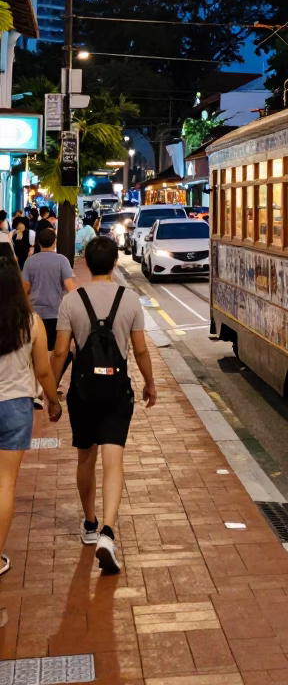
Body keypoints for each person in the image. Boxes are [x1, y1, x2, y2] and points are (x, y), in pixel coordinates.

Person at [52, 236, 157, 575]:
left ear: (88, 262)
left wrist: (50, 392)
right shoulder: (129, 300)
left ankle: (89, 523)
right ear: (114, 264)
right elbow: (140, 350)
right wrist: (149, 383)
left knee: (86, 457)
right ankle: (108, 532)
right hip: (116, 391)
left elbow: (59, 352)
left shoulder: (71, 301)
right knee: (114, 460)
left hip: (82, 391)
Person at [0, 250, 61, 576]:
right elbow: (43, 370)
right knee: (4, 484)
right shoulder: (30, 323)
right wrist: (53, 401)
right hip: (15, 407)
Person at [23, 228, 75, 403]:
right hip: (56, 315)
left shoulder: (30, 262)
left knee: (34, 354)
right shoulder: (62, 260)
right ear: (54, 242)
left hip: (35, 317)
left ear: (37, 242)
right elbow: (70, 287)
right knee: (63, 352)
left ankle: (37, 388)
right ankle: (52, 384)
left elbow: (25, 289)